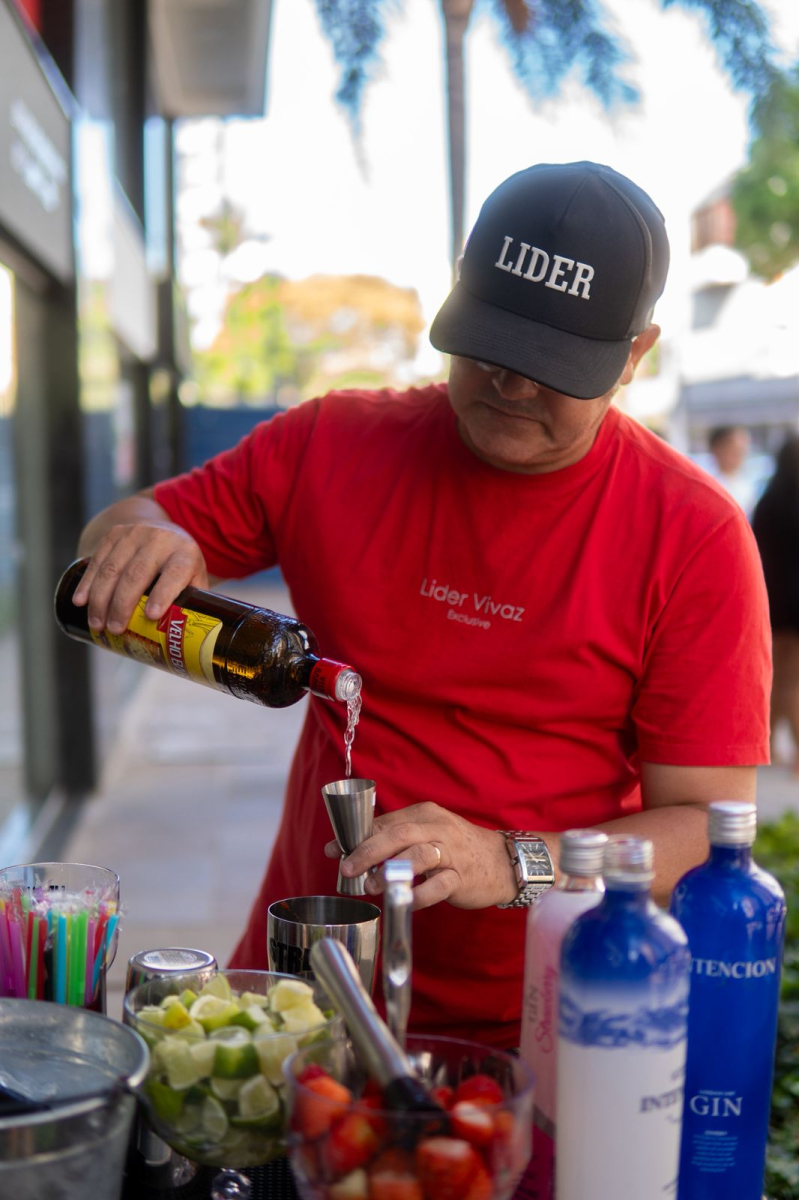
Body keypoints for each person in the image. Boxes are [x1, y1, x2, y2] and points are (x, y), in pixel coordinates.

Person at [72, 161, 770, 1050]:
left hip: (551, 1014)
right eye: (488, 347)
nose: (510, 385)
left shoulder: (692, 534)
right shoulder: (332, 443)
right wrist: (141, 538)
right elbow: (126, 527)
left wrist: (508, 861)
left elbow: (706, 829)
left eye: (550, 367)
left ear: (635, 356)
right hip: (301, 991)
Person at [752, 434, 799, 773]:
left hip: (772, 601)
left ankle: (766, 745)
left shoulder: (767, 502)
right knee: (792, 680)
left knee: (778, 677)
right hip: (794, 605)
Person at [706, 424, 758, 516]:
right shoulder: (708, 484)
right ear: (717, 449)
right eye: (734, 450)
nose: (739, 455)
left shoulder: (747, 484)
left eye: (742, 450)